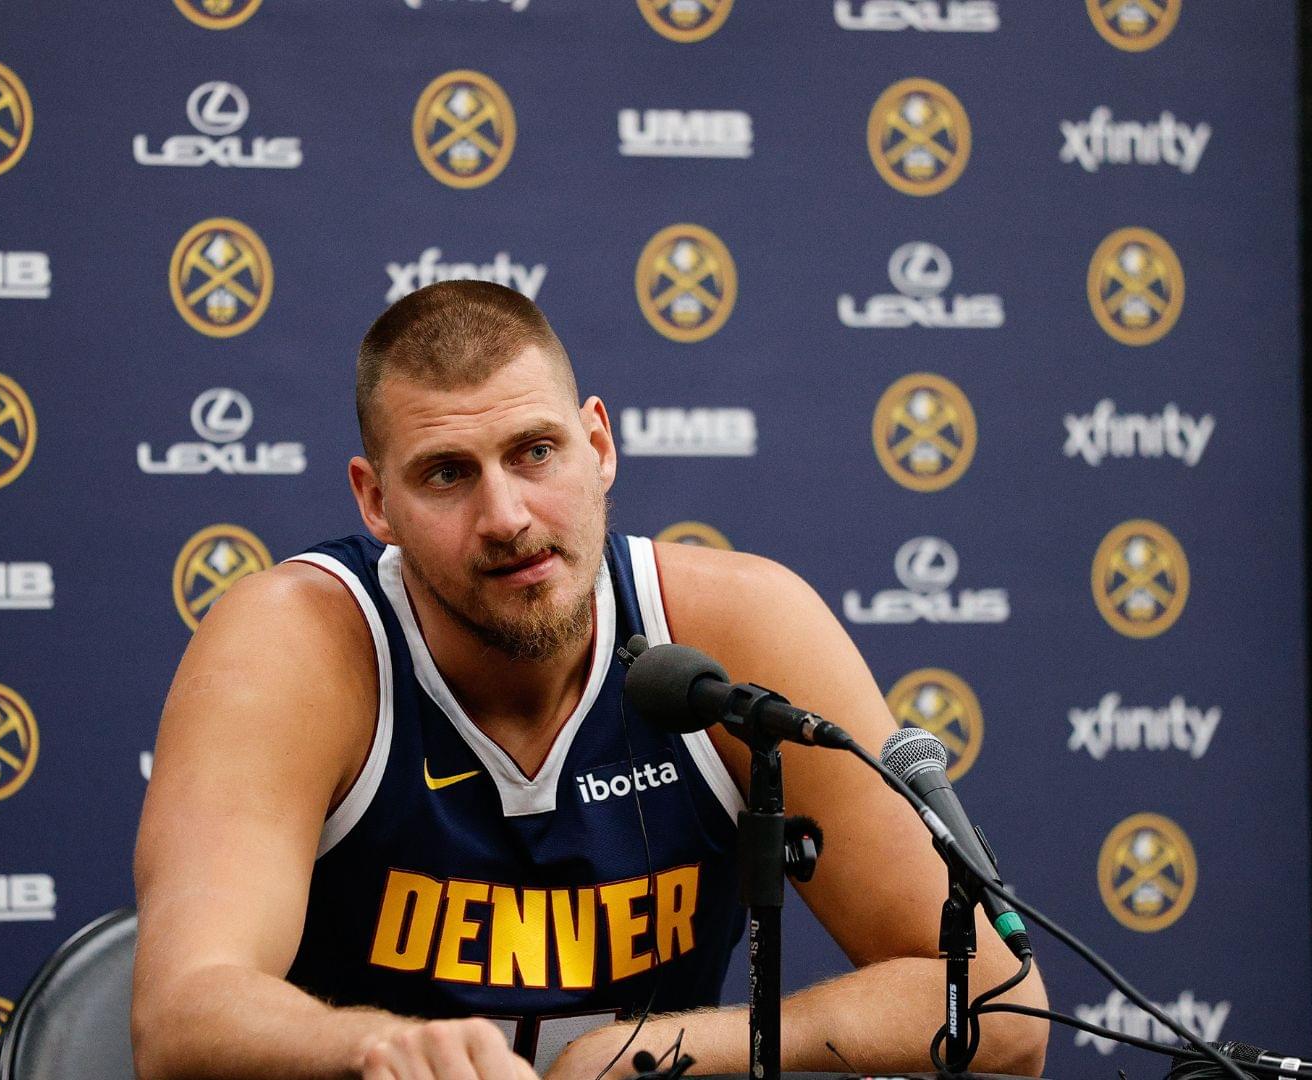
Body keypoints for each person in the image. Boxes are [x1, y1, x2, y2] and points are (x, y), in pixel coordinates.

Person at [131, 280, 1047, 1080]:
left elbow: (1000, 1006)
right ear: (376, 502)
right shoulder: (297, 642)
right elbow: (183, 1011)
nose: (506, 516)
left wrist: (660, 1051)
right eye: (447, 475)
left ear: (597, 444)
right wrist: (383, 1049)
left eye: (536, 452)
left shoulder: (737, 627)